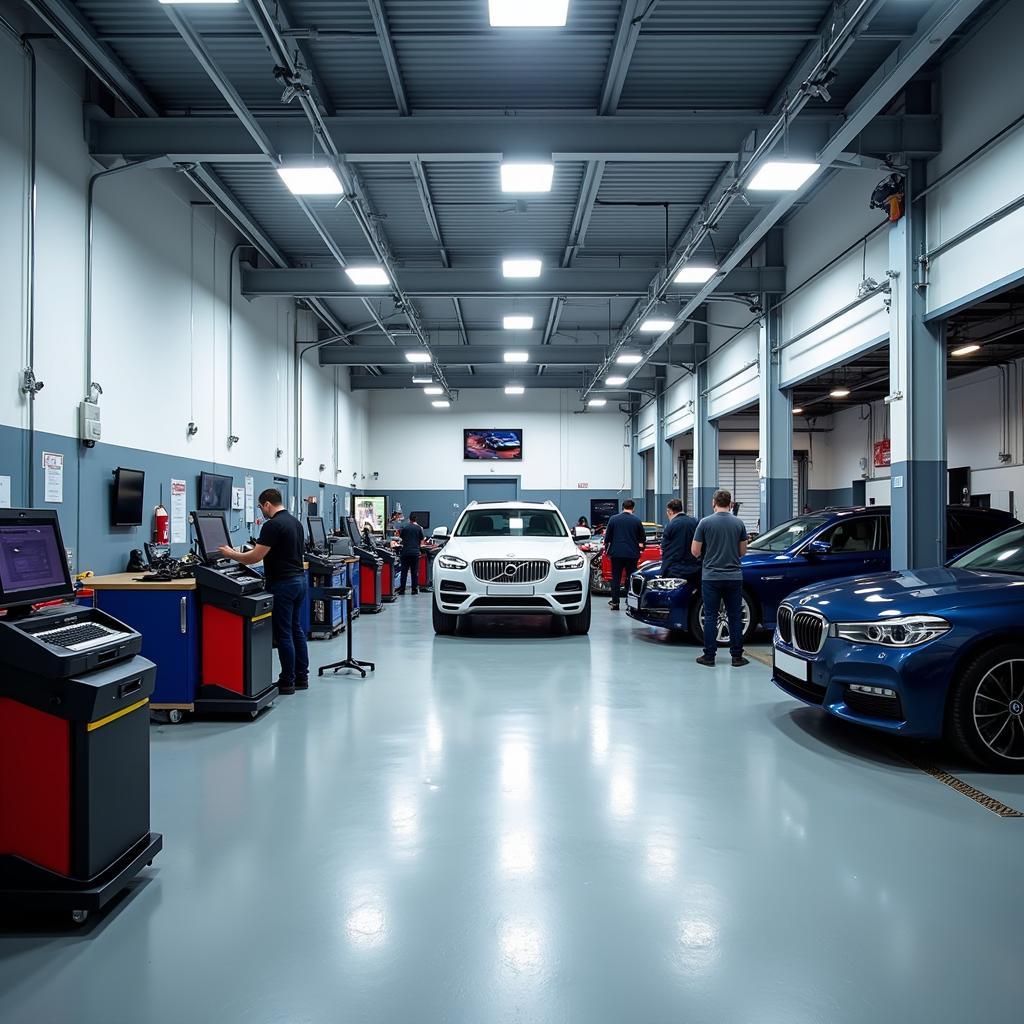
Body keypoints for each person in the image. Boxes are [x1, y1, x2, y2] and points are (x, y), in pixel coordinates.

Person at [219, 488, 309, 694]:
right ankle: (301, 677)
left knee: (284, 633)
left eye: (261, 507)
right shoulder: (295, 522)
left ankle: (287, 681)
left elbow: (254, 557)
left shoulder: (272, 525)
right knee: (296, 630)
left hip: (283, 585)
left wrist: (230, 553)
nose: (261, 511)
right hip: (299, 582)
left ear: (267, 504)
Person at [691, 489, 749, 668]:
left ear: (713, 502)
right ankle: (737, 657)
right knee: (734, 616)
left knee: (710, 616)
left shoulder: (704, 523)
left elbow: (695, 551)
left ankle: (709, 656)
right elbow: (743, 551)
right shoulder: (739, 523)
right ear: (730, 504)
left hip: (711, 577)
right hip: (733, 576)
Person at [603, 499, 646, 610]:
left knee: (616, 578)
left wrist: (607, 549)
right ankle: (630, 603)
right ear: (633, 508)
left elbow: (607, 538)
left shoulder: (613, 519)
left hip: (616, 553)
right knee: (631, 578)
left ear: (622, 507)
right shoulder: (637, 520)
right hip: (632, 554)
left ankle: (615, 603)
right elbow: (643, 538)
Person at [660, 498, 700, 579]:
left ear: (670, 511)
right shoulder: (695, 522)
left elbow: (664, 547)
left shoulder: (670, 526)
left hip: (675, 570)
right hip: (695, 568)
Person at [397, 513, 425, 595]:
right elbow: (421, 539)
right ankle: (414, 590)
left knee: (404, 572)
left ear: (409, 519)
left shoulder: (405, 527)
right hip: (415, 553)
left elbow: (401, 537)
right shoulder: (419, 528)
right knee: (414, 572)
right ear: (416, 520)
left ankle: (402, 590)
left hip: (405, 552)